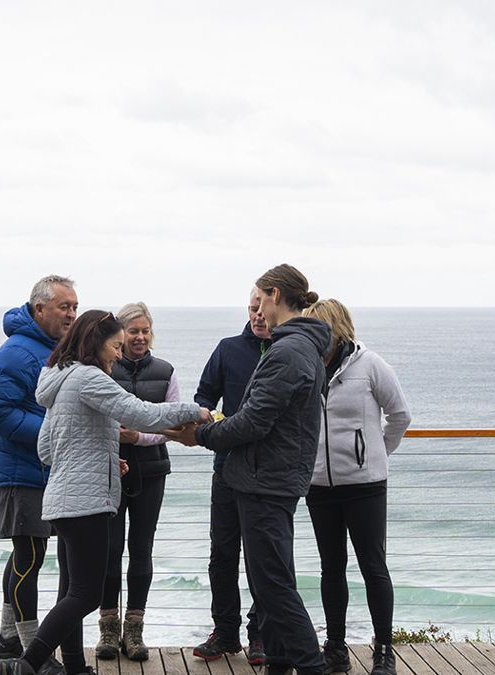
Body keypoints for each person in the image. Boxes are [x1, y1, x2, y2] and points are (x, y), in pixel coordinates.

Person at [0, 310, 209, 675]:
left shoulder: (60, 381)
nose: (120, 354)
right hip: (86, 501)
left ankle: (75, 667)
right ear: (95, 343)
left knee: (70, 592)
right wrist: (197, 411)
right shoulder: (90, 378)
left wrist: (104, 459)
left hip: (64, 499)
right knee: (86, 595)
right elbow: (142, 414)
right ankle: (26, 665)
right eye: (115, 346)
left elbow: (47, 448)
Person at [168, 264, 330, 675]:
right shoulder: (300, 346)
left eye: (260, 299)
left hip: (264, 481)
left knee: (274, 588)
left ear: (274, 294)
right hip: (267, 477)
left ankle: (311, 667)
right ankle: (278, 664)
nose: (256, 309)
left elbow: (255, 421)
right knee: (269, 581)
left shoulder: (288, 351)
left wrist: (198, 436)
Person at [302, 299, 412, 675]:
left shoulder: (370, 365)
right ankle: (335, 647)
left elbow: (400, 415)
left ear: (337, 328)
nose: (314, 336)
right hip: (319, 485)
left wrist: (376, 453)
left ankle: (384, 650)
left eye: (320, 329)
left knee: (373, 567)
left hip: (365, 486)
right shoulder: (308, 366)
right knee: (331, 569)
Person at [0, 275, 78, 667]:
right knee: (30, 556)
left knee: (28, 556)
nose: (71, 313)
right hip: (22, 471)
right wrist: (51, 435)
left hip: (40, 471)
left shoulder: (50, 348)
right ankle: (33, 652)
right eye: (63, 307)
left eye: (74, 306)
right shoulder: (18, 352)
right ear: (40, 310)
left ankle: (7, 642)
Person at [191, 287, 271, 664]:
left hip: (267, 473)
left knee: (263, 558)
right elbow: (204, 398)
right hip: (226, 468)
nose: (257, 315)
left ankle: (261, 634)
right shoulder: (227, 348)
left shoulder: (287, 353)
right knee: (222, 554)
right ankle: (225, 632)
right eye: (251, 308)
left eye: (262, 308)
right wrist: (211, 417)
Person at [95, 302, 177, 662]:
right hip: (109, 469)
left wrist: (138, 438)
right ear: (120, 334)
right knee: (110, 551)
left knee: (141, 548)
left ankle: (135, 631)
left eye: (145, 330)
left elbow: (172, 425)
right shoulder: (102, 370)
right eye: (133, 331)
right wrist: (117, 441)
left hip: (151, 470)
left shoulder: (166, 371)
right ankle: (108, 630)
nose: (140, 337)